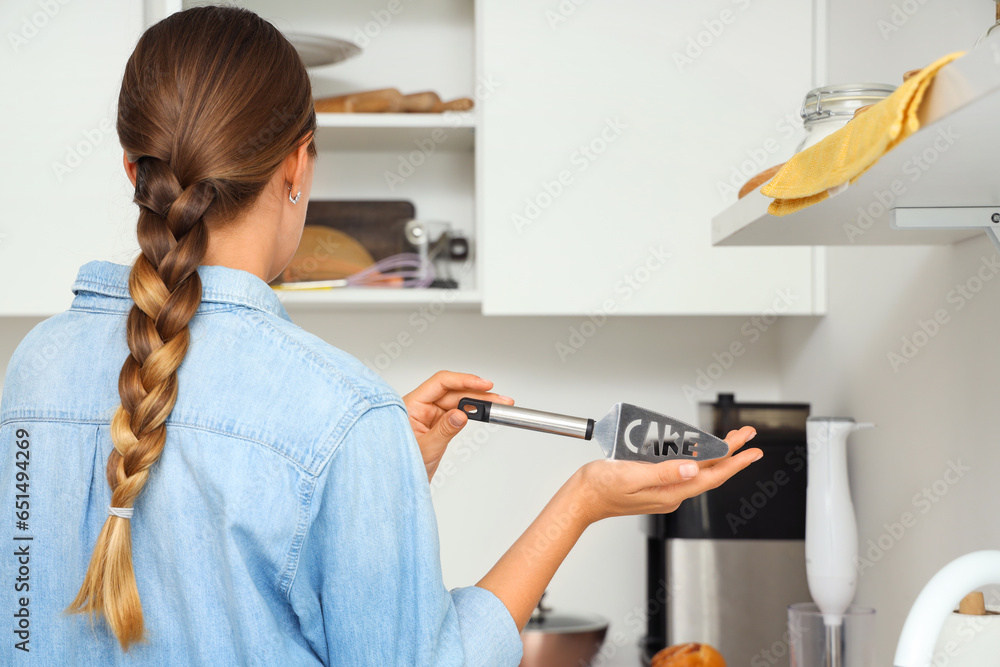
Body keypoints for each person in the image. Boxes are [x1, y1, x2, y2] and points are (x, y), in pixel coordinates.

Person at [0, 6, 762, 666]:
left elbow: (27, 625)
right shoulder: (343, 413)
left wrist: (377, 483)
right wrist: (581, 501)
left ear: (132, 168)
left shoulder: (33, 369)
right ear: (298, 164)